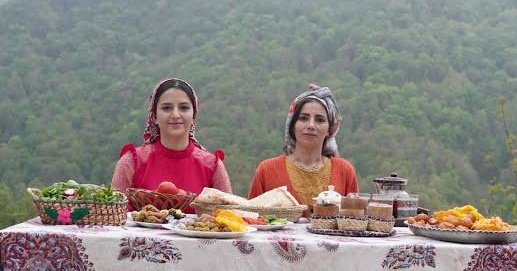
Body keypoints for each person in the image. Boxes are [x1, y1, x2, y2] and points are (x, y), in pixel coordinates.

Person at [111, 78, 232, 211]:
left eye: (184, 108)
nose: (175, 114)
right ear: (155, 116)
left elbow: (228, 217)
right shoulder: (133, 161)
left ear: (193, 115)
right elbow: (113, 215)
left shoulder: (212, 166)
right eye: (167, 108)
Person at [248, 84, 359, 209]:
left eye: (320, 120)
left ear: (329, 129)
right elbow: (251, 219)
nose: (311, 125)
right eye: (303, 118)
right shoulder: (267, 171)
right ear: (292, 125)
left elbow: (354, 221)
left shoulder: (345, 171)